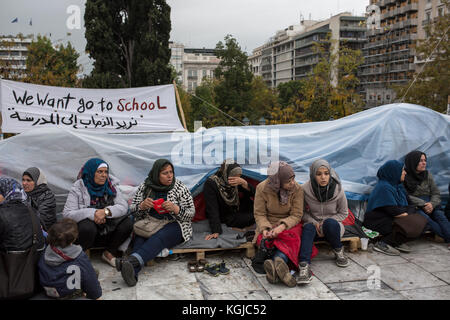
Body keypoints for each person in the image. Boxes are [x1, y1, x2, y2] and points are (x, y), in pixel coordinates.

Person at [117, 159, 195, 287]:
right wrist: (142, 206)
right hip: (150, 223)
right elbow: (133, 210)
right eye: (165, 173)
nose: (170, 176)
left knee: (160, 237)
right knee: (140, 239)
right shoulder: (145, 186)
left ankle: (129, 261)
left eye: (171, 172)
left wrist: (176, 209)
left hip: (175, 224)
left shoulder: (179, 187)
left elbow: (191, 213)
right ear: (156, 174)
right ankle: (132, 274)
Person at [62, 158, 132, 267]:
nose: (104, 175)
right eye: (100, 172)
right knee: (87, 226)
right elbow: (67, 214)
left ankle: (109, 252)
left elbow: (123, 207)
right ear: (91, 172)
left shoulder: (111, 185)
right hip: (88, 235)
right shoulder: (78, 187)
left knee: (128, 223)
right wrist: (93, 213)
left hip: (108, 231)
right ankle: (81, 255)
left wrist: (106, 212)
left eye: (105, 172)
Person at [297, 159, 350, 284]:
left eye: (326, 173)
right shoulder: (304, 189)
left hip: (333, 226)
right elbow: (301, 212)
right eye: (319, 174)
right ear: (313, 175)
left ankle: (338, 251)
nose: (323, 177)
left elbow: (344, 213)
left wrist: (325, 221)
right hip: (314, 226)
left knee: (329, 223)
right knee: (307, 228)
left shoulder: (338, 189)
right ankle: (304, 266)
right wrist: (314, 222)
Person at [253, 161, 303, 288]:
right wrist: (265, 229)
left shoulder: (297, 189)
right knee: (265, 239)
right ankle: (279, 267)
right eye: (288, 181)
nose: (292, 183)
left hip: (289, 223)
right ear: (277, 181)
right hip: (269, 223)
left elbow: (297, 215)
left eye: (293, 179)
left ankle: (276, 264)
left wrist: (282, 226)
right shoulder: (262, 188)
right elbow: (259, 213)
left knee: (290, 238)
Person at [0, 177, 45, 299]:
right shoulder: (31, 210)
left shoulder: (3, 213)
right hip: (34, 281)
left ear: (5, 193)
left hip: (10, 284)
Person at [363, 160, 420, 256]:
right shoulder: (384, 187)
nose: (405, 173)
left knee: (420, 221)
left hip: (391, 218)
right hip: (377, 221)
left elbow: (411, 205)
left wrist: (407, 213)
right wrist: (407, 213)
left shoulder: (398, 187)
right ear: (394, 172)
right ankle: (383, 243)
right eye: (402, 170)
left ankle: (395, 242)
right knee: (412, 222)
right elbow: (394, 211)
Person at [38, 218, 102, 300]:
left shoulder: (45, 250)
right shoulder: (79, 256)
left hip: (48, 291)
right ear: (74, 238)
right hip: (68, 294)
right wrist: (96, 295)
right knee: (94, 272)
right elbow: (90, 279)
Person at [403, 151, 450, 249]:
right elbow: (406, 196)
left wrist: (432, 204)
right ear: (413, 162)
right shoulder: (404, 176)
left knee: (440, 216)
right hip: (416, 206)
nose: (424, 163)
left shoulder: (427, 175)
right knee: (427, 220)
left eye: (425, 160)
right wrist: (423, 204)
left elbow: (436, 193)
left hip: (432, 204)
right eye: (420, 161)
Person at [203, 159, 255, 240]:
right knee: (253, 217)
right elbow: (212, 208)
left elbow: (254, 194)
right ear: (226, 173)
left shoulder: (235, 180)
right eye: (235, 176)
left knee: (256, 209)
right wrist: (216, 230)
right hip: (224, 215)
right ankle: (240, 228)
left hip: (235, 208)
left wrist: (245, 183)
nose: (237, 178)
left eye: (239, 176)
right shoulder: (211, 183)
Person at [22, 167, 57, 232]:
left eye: (28, 180)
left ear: (37, 181)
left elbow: (42, 218)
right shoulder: (22, 194)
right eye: (23, 180)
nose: (24, 183)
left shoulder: (48, 196)